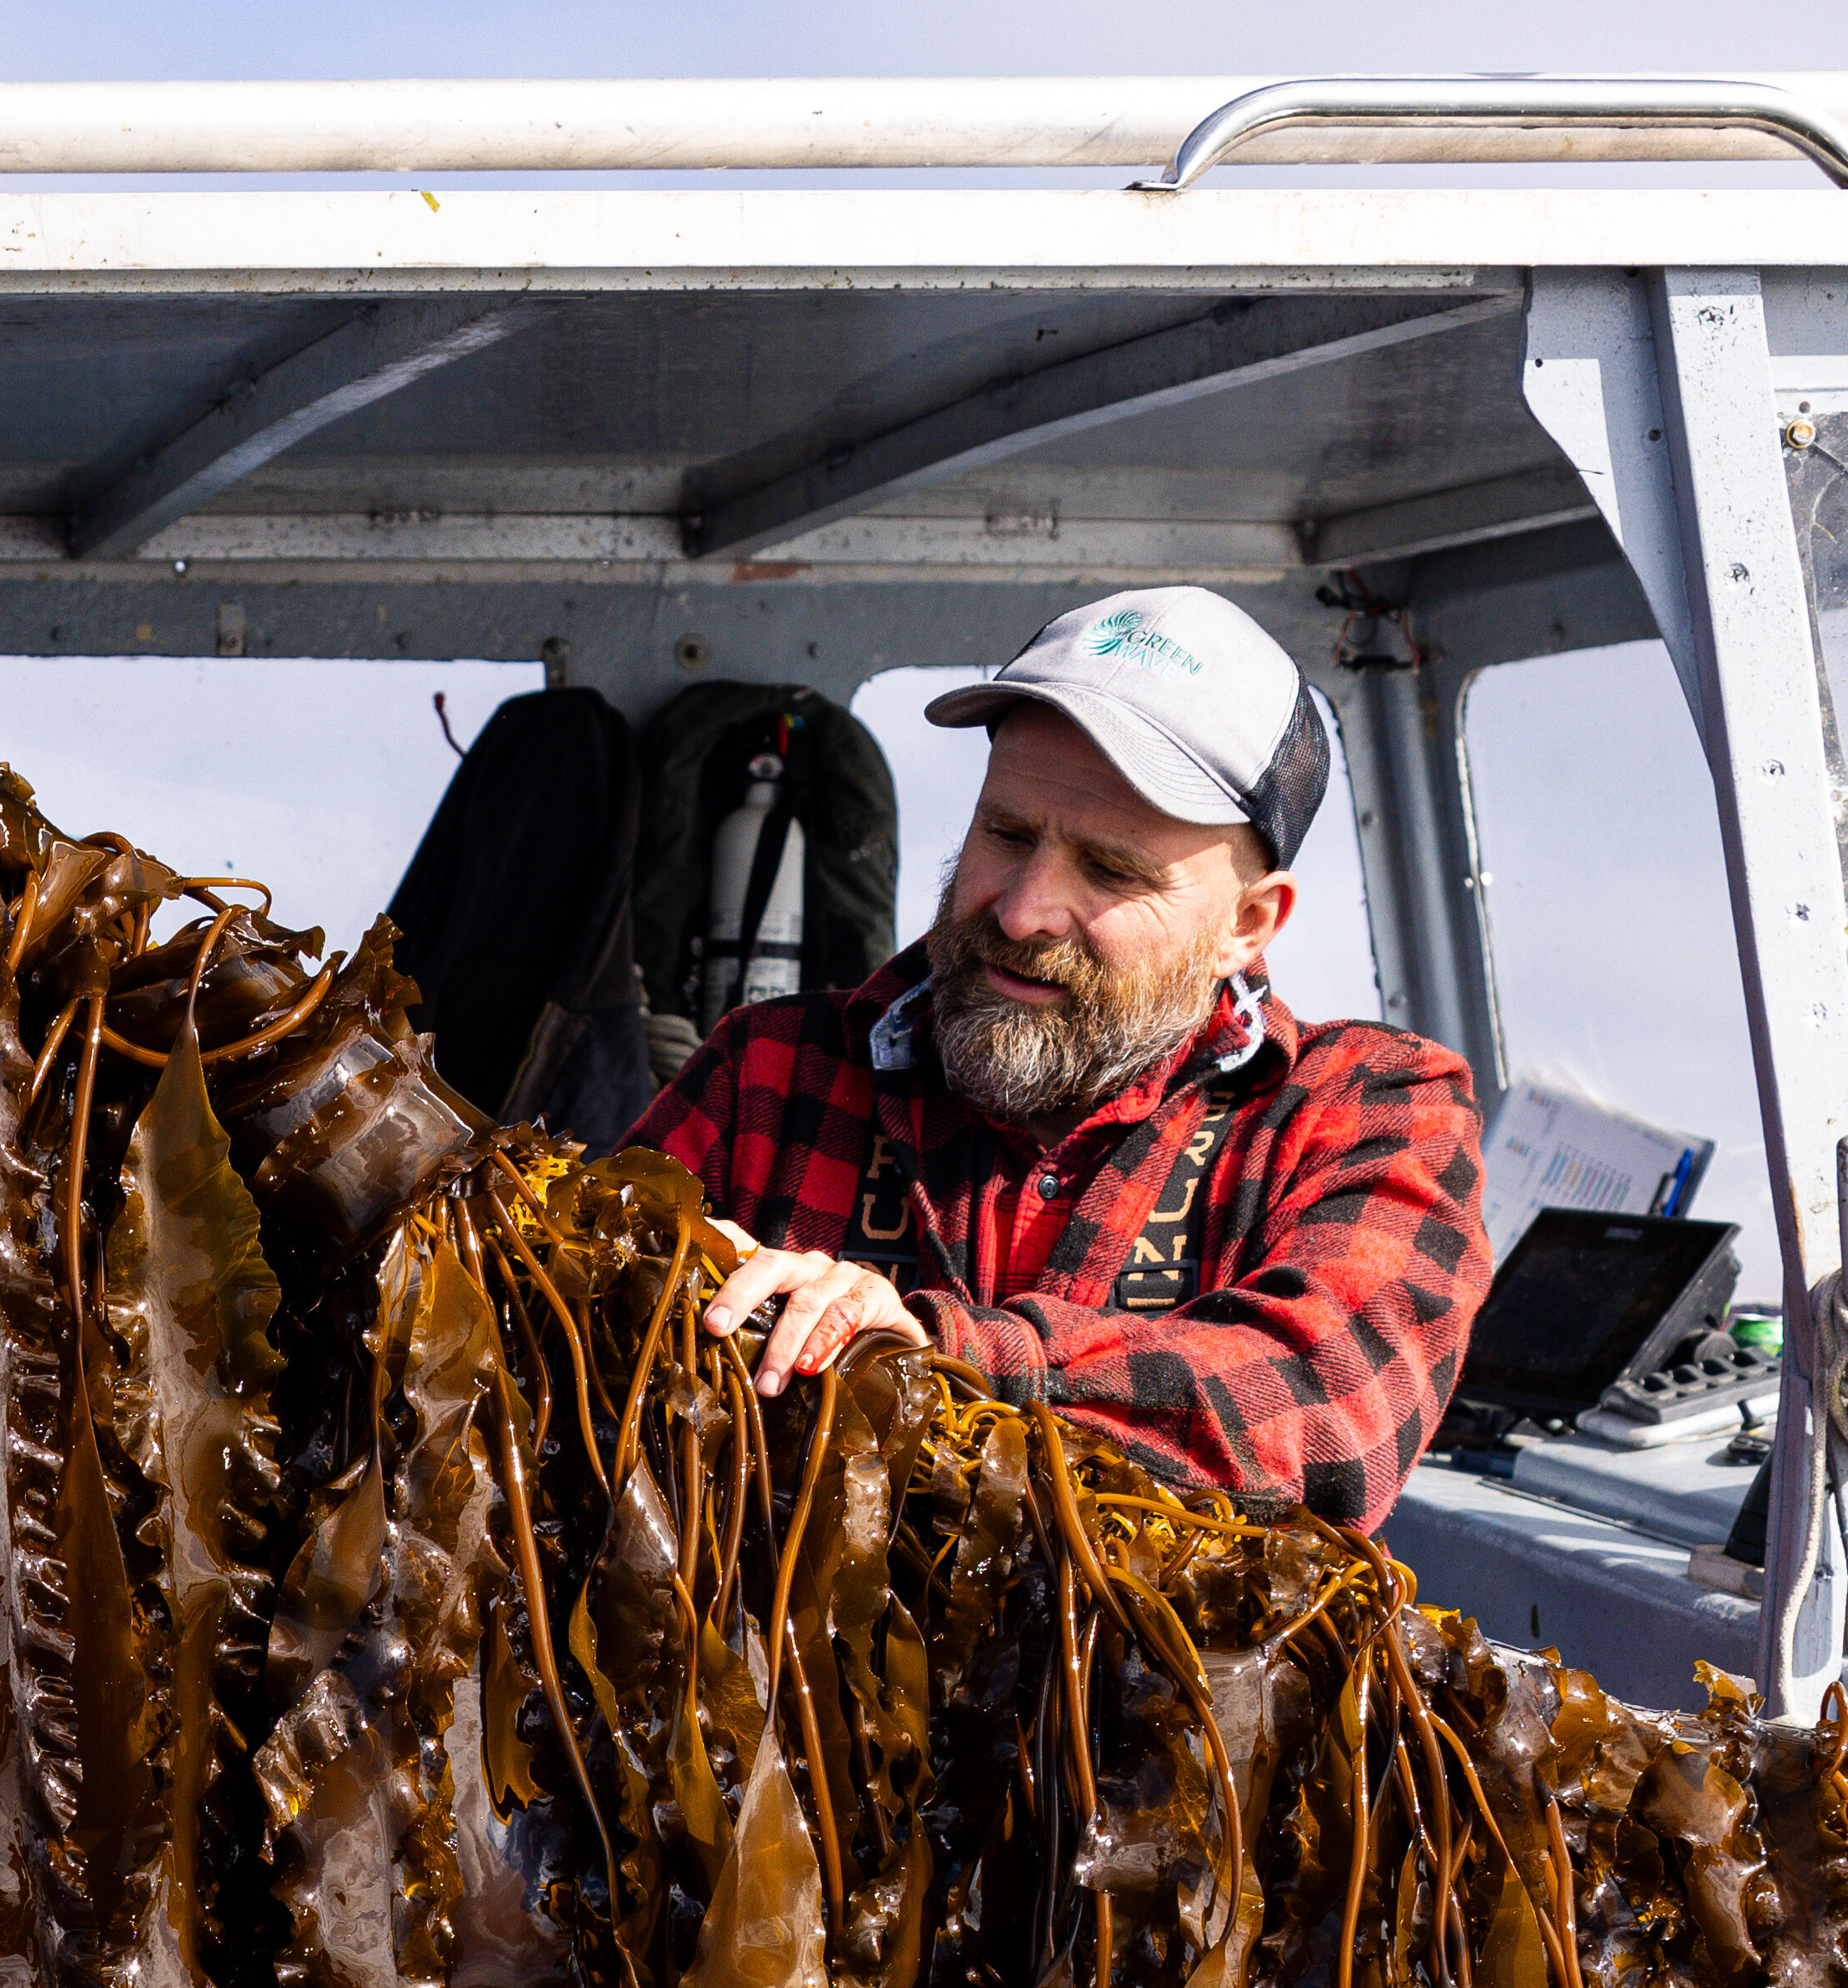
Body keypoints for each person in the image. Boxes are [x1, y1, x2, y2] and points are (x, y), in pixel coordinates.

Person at [636, 587, 1489, 1532]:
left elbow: (1324, 1411)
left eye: (1111, 869)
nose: (1020, 910)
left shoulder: (1367, 1110)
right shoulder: (768, 1072)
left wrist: (922, 1352)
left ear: (1247, 925)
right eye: (1006, 833)